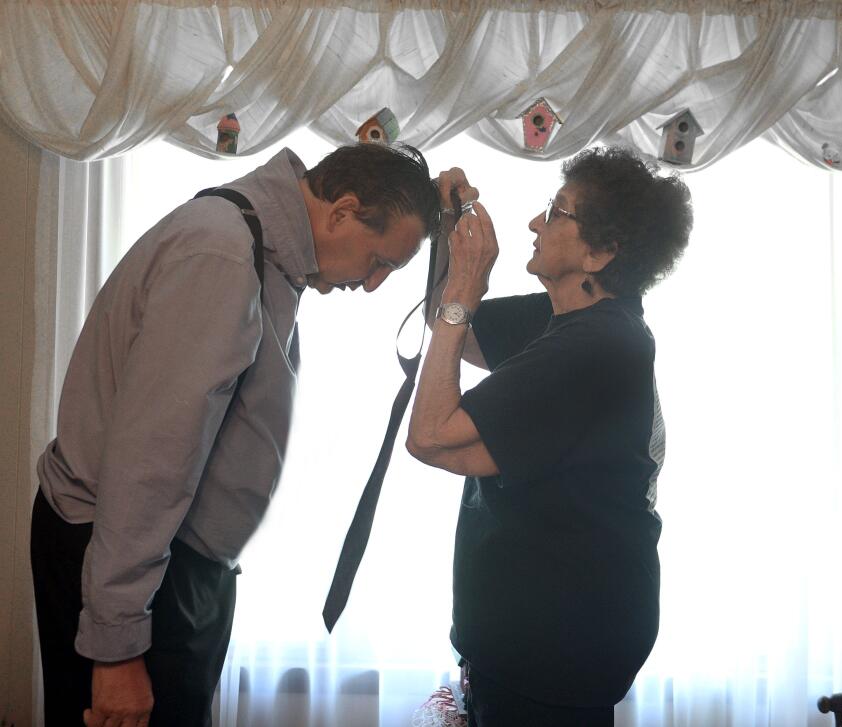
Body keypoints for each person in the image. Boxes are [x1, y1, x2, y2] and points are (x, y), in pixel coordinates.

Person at [30, 142, 441, 727]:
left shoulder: (261, 240)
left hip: (169, 562)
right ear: (343, 211)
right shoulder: (223, 254)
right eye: (380, 261)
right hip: (131, 558)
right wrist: (116, 646)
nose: (372, 285)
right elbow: (151, 463)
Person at [407, 147, 693, 726]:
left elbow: (431, 436)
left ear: (601, 251)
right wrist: (450, 232)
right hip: (520, 651)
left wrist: (467, 283)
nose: (537, 223)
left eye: (557, 212)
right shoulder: (562, 321)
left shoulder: (600, 346)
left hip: (555, 658)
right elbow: (448, 327)